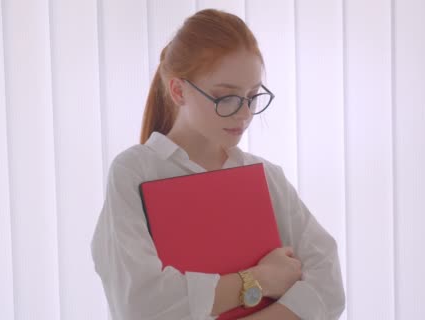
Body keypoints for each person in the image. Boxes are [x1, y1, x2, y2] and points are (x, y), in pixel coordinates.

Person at [91, 9, 345, 320]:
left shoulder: (265, 177)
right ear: (178, 90)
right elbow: (142, 304)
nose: (244, 114)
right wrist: (262, 279)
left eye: (252, 96)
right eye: (226, 97)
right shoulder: (136, 172)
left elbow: (328, 286)